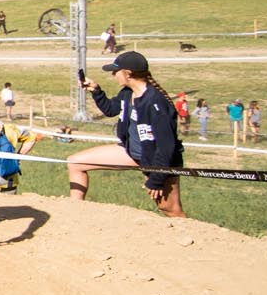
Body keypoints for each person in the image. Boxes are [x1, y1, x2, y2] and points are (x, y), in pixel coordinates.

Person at [70, 50, 184, 218]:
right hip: (132, 152)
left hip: (158, 161)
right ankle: (75, 215)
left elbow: (166, 147)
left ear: (128, 74)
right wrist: (95, 90)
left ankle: (189, 233)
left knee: (169, 209)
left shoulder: (155, 102)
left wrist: (157, 179)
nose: (113, 75)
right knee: (75, 163)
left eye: (116, 71)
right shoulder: (127, 93)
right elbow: (110, 109)